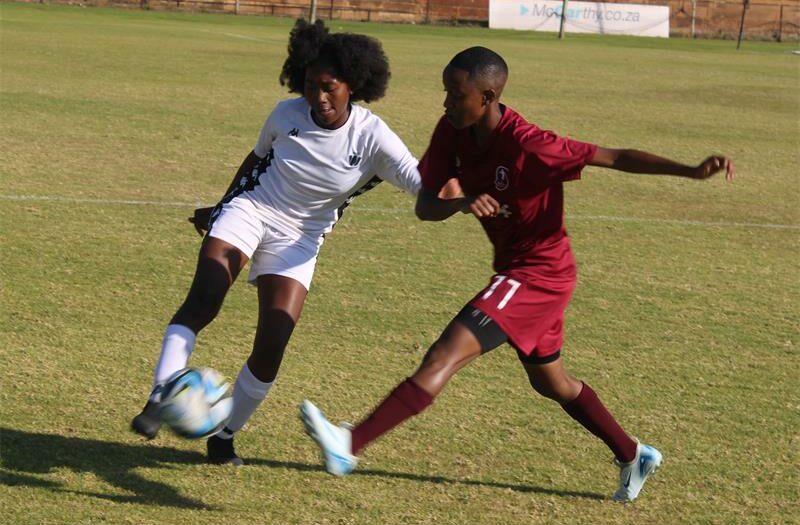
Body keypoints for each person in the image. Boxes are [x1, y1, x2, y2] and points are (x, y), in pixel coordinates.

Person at [300, 46, 735, 502]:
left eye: (456, 93)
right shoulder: (453, 131)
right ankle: (633, 454)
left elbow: (613, 156)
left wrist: (690, 171)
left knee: (444, 355)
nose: (445, 103)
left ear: (488, 96)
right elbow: (426, 208)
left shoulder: (531, 145)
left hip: (541, 274)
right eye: (445, 91)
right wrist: (461, 201)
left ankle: (350, 445)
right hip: (516, 270)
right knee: (552, 382)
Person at [130, 19, 422, 465]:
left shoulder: (374, 138)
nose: (317, 97)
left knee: (272, 344)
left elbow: (424, 184)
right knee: (205, 297)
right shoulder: (285, 115)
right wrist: (221, 207)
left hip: (301, 238)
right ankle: (160, 397)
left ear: (354, 85)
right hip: (251, 211)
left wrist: (473, 195)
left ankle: (224, 436)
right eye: (309, 85)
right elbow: (256, 160)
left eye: (328, 87)